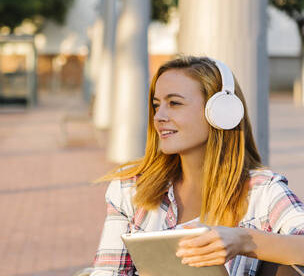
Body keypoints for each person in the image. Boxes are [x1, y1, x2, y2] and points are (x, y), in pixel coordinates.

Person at [91, 56, 304, 276]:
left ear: (221, 113)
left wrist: (243, 241)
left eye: (174, 103)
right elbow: (107, 272)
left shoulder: (263, 192)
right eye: (156, 105)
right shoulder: (130, 188)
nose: (159, 116)